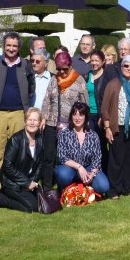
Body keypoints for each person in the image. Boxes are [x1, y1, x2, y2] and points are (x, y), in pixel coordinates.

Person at [0, 32, 35, 192]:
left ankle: (16, 184)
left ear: (19, 47)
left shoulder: (25, 65)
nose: (11, 48)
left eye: (15, 46)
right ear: (4, 46)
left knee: (18, 150)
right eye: (8, 45)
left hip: (18, 113)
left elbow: (31, 88)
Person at [101, 55, 130, 198]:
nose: (128, 68)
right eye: (126, 66)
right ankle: (114, 189)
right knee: (117, 159)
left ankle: (128, 187)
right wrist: (107, 128)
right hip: (118, 126)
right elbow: (105, 109)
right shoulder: (113, 83)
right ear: (121, 67)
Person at [40, 53, 88, 189]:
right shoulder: (54, 80)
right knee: (49, 156)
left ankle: (67, 186)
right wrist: (43, 117)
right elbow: (47, 99)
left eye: (64, 69)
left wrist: (82, 123)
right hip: (52, 123)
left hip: (70, 124)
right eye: (58, 69)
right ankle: (47, 187)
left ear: (70, 66)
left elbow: (85, 104)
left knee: (67, 157)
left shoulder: (79, 80)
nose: (61, 72)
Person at [54, 102, 110, 195]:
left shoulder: (93, 135)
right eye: (74, 114)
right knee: (62, 174)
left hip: (88, 167)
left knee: (103, 186)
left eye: (81, 115)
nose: (77, 118)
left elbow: (97, 158)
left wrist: (92, 174)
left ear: (86, 117)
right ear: (71, 116)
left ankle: (86, 186)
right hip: (70, 168)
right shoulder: (64, 133)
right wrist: (79, 167)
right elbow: (62, 157)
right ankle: (69, 187)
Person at [0, 107, 45, 213]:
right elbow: (7, 166)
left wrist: (33, 182)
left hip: (27, 182)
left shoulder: (40, 139)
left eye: (35, 120)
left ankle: (20, 195)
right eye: (29, 120)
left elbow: (40, 164)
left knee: (40, 204)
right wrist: (27, 183)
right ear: (24, 122)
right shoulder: (16, 139)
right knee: (31, 208)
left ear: (40, 123)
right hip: (11, 183)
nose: (32, 123)